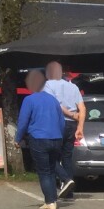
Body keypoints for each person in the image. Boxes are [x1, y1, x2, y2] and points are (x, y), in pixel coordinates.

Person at [17, 69, 74, 209]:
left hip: (38, 138)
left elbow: (23, 121)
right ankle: (65, 179)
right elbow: (61, 121)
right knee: (51, 164)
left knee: (44, 171)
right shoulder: (53, 100)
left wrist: (18, 138)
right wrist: (59, 135)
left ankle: (50, 201)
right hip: (56, 137)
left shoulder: (29, 100)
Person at [42, 60, 84, 199]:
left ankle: (64, 180)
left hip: (57, 123)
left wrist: (71, 114)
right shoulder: (74, 87)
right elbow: (83, 108)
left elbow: (55, 105)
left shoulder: (48, 84)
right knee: (67, 157)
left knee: (50, 155)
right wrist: (80, 127)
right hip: (72, 125)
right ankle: (69, 191)